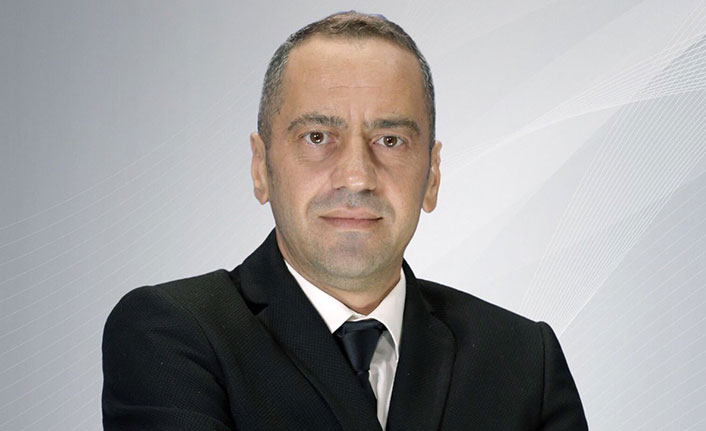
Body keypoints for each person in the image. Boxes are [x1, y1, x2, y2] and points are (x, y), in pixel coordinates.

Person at [102, 11, 588, 431]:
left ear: (432, 175)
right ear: (261, 168)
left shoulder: (524, 360)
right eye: (317, 137)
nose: (357, 176)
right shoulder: (172, 335)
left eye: (391, 140)